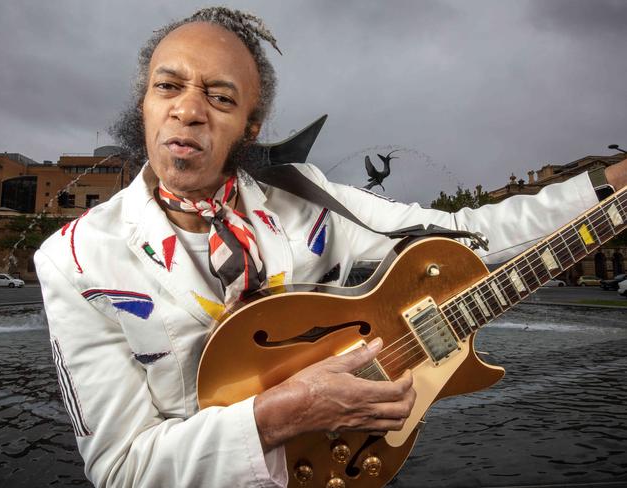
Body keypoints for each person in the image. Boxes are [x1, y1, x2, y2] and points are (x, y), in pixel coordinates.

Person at [35, 7, 627, 487]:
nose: (187, 110)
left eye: (220, 97)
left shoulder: (307, 197)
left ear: (251, 124)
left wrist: (610, 185)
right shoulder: (75, 259)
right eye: (168, 87)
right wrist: (285, 415)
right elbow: (122, 469)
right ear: (144, 102)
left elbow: (472, 234)